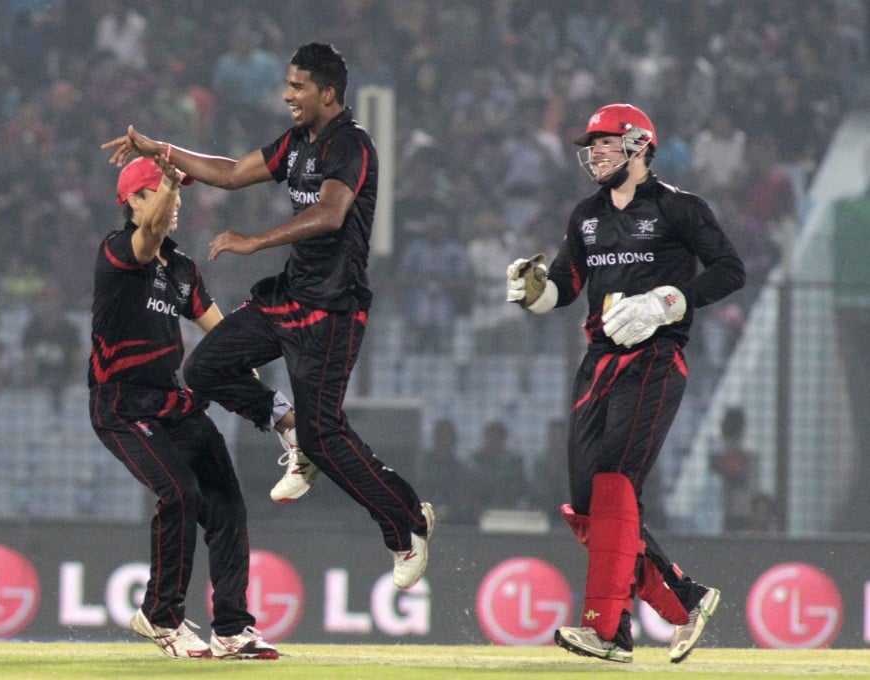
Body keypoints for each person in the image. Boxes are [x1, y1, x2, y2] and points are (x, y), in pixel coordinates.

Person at [102, 42, 434, 590]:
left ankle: (407, 522)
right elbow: (232, 173)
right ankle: (291, 429)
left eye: (298, 86)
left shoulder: (351, 144)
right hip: (287, 297)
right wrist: (161, 150)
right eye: (287, 84)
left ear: (328, 94)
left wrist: (255, 240)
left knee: (328, 435)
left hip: (332, 308)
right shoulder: (297, 143)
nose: (287, 95)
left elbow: (330, 215)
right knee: (205, 369)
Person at [506, 103, 745, 663]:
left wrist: (668, 301)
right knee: (591, 506)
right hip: (598, 362)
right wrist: (533, 289)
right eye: (592, 146)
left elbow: (730, 269)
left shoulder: (678, 208)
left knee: (614, 483)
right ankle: (684, 599)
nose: (596, 155)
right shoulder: (586, 214)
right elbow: (564, 287)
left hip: (656, 358)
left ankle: (606, 628)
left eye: (608, 144)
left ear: (640, 145)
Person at [89, 155, 278, 660]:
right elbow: (147, 237)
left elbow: (221, 334)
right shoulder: (118, 253)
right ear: (133, 201)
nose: (175, 203)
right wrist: (171, 176)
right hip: (123, 406)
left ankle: (233, 629)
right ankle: (159, 617)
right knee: (179, 494)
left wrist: (256, 387)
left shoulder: (181, 270)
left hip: (171, 403)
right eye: (162, 191)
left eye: (176, 192)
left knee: (227, 505)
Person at [708, 406, 759, 532]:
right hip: (730, 507)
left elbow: (741, 475)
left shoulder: (745, 449)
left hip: (743, 509)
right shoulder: (729, 447)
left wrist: (720, 466)